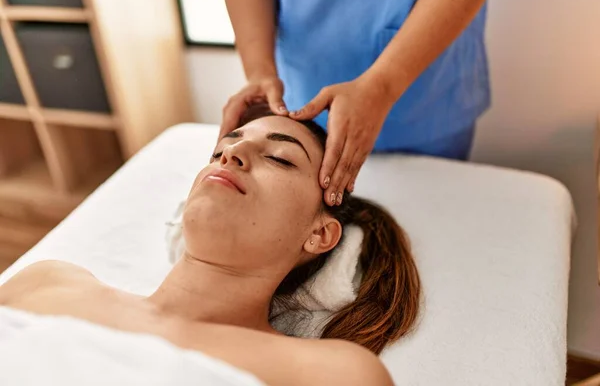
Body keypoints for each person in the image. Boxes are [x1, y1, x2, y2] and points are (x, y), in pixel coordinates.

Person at [0, 109, 421, 385]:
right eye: (221, 149)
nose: (231, 153)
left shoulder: (331, 373)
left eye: (279, 158)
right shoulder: (48, 281)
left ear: (319, 235)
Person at [220, 0, 493, 207]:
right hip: (302, 80)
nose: (230, 156)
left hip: (426, 98)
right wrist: (259, 70)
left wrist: (383, 85)